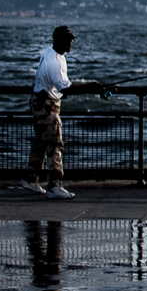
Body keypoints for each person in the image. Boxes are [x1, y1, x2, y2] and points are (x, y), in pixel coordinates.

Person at [23, 26, 100, 199]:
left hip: (39, 101)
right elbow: (66, 88)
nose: (71, 42)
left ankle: (30, 180)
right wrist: (91, 86)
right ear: (59, 40)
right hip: (46, 106)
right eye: (68, 39)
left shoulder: (51, 54)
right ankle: (54, 185)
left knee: (41, 143)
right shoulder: (55, 62)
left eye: (72, 39)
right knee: (55, 144)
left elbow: (59, 86)